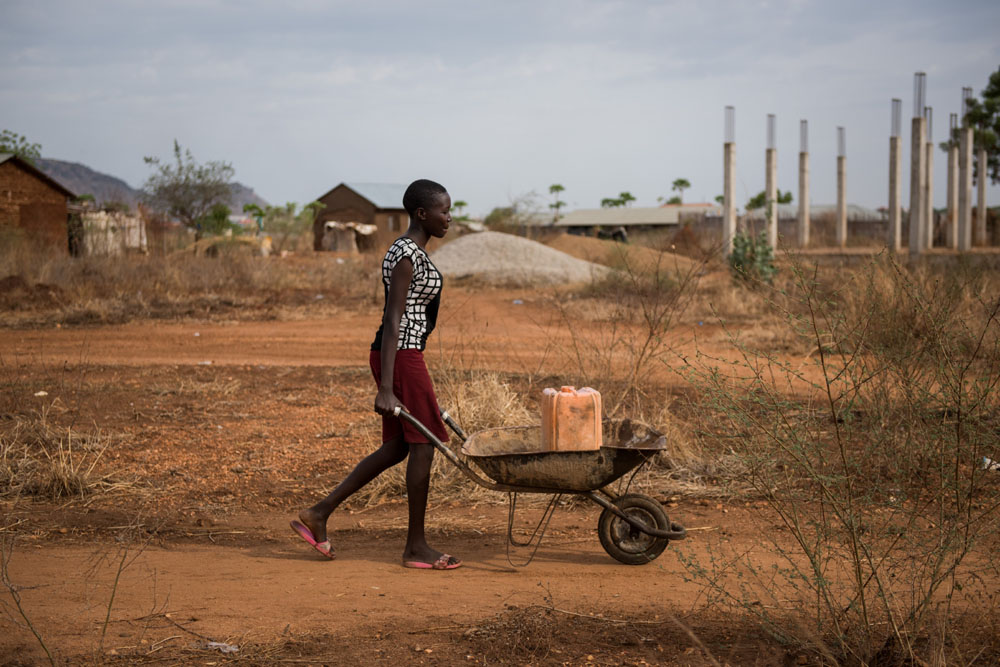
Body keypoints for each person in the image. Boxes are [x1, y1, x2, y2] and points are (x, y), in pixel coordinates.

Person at [290, 179, 461, 570]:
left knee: (398, 447)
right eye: (443, 211)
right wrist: (386, 387)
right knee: (424, 444)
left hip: (402, 355)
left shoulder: (413, 252)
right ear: (422, 214)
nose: (449, 217)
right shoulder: (405, 254)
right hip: (399, 356)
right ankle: (415, 547)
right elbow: (393, 317)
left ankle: (319, 512)